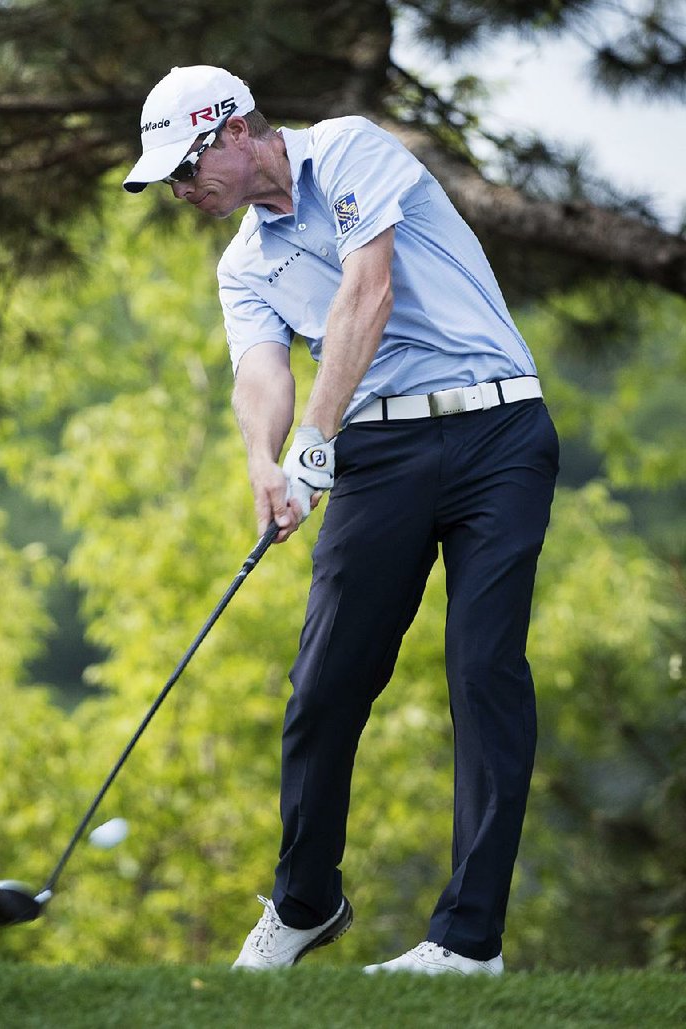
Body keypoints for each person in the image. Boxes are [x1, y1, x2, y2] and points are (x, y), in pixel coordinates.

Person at [123, 65, 559, 975]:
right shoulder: (243, 262)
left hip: (498, 431)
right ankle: (305, 899)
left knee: (484, 673)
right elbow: (260, 372)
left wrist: (316, 435)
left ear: (237, 131)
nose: (177, 188)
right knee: (324, 685)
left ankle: (466, 940)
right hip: (379, 459)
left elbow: (370, 290)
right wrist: (264, 463)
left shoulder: (352, 148)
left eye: (185, 165)